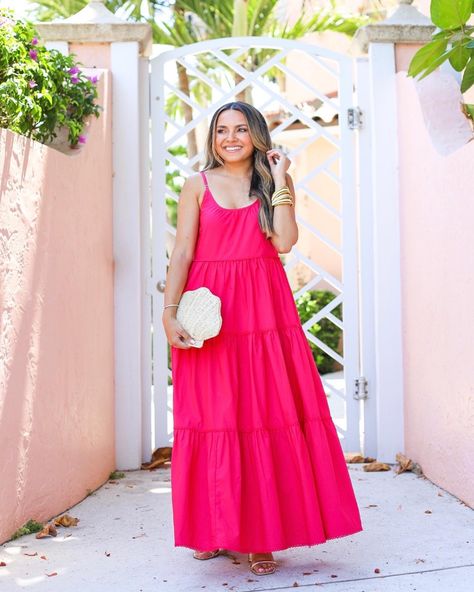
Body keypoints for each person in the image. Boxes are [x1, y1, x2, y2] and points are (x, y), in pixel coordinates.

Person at [162, 101, 363, 576]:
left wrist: (281, 179)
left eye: (239, 130)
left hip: (264, 312)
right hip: (210, 313)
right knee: (214, 420)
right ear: (213, 138)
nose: (229, 138)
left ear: (255, 134)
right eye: (220, 131)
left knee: (264, 415)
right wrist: (169, 314)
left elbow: (285, 242)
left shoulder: (273, 182)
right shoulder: (196, 185)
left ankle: (261, 536)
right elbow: (183, 253)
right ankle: (214, 530)